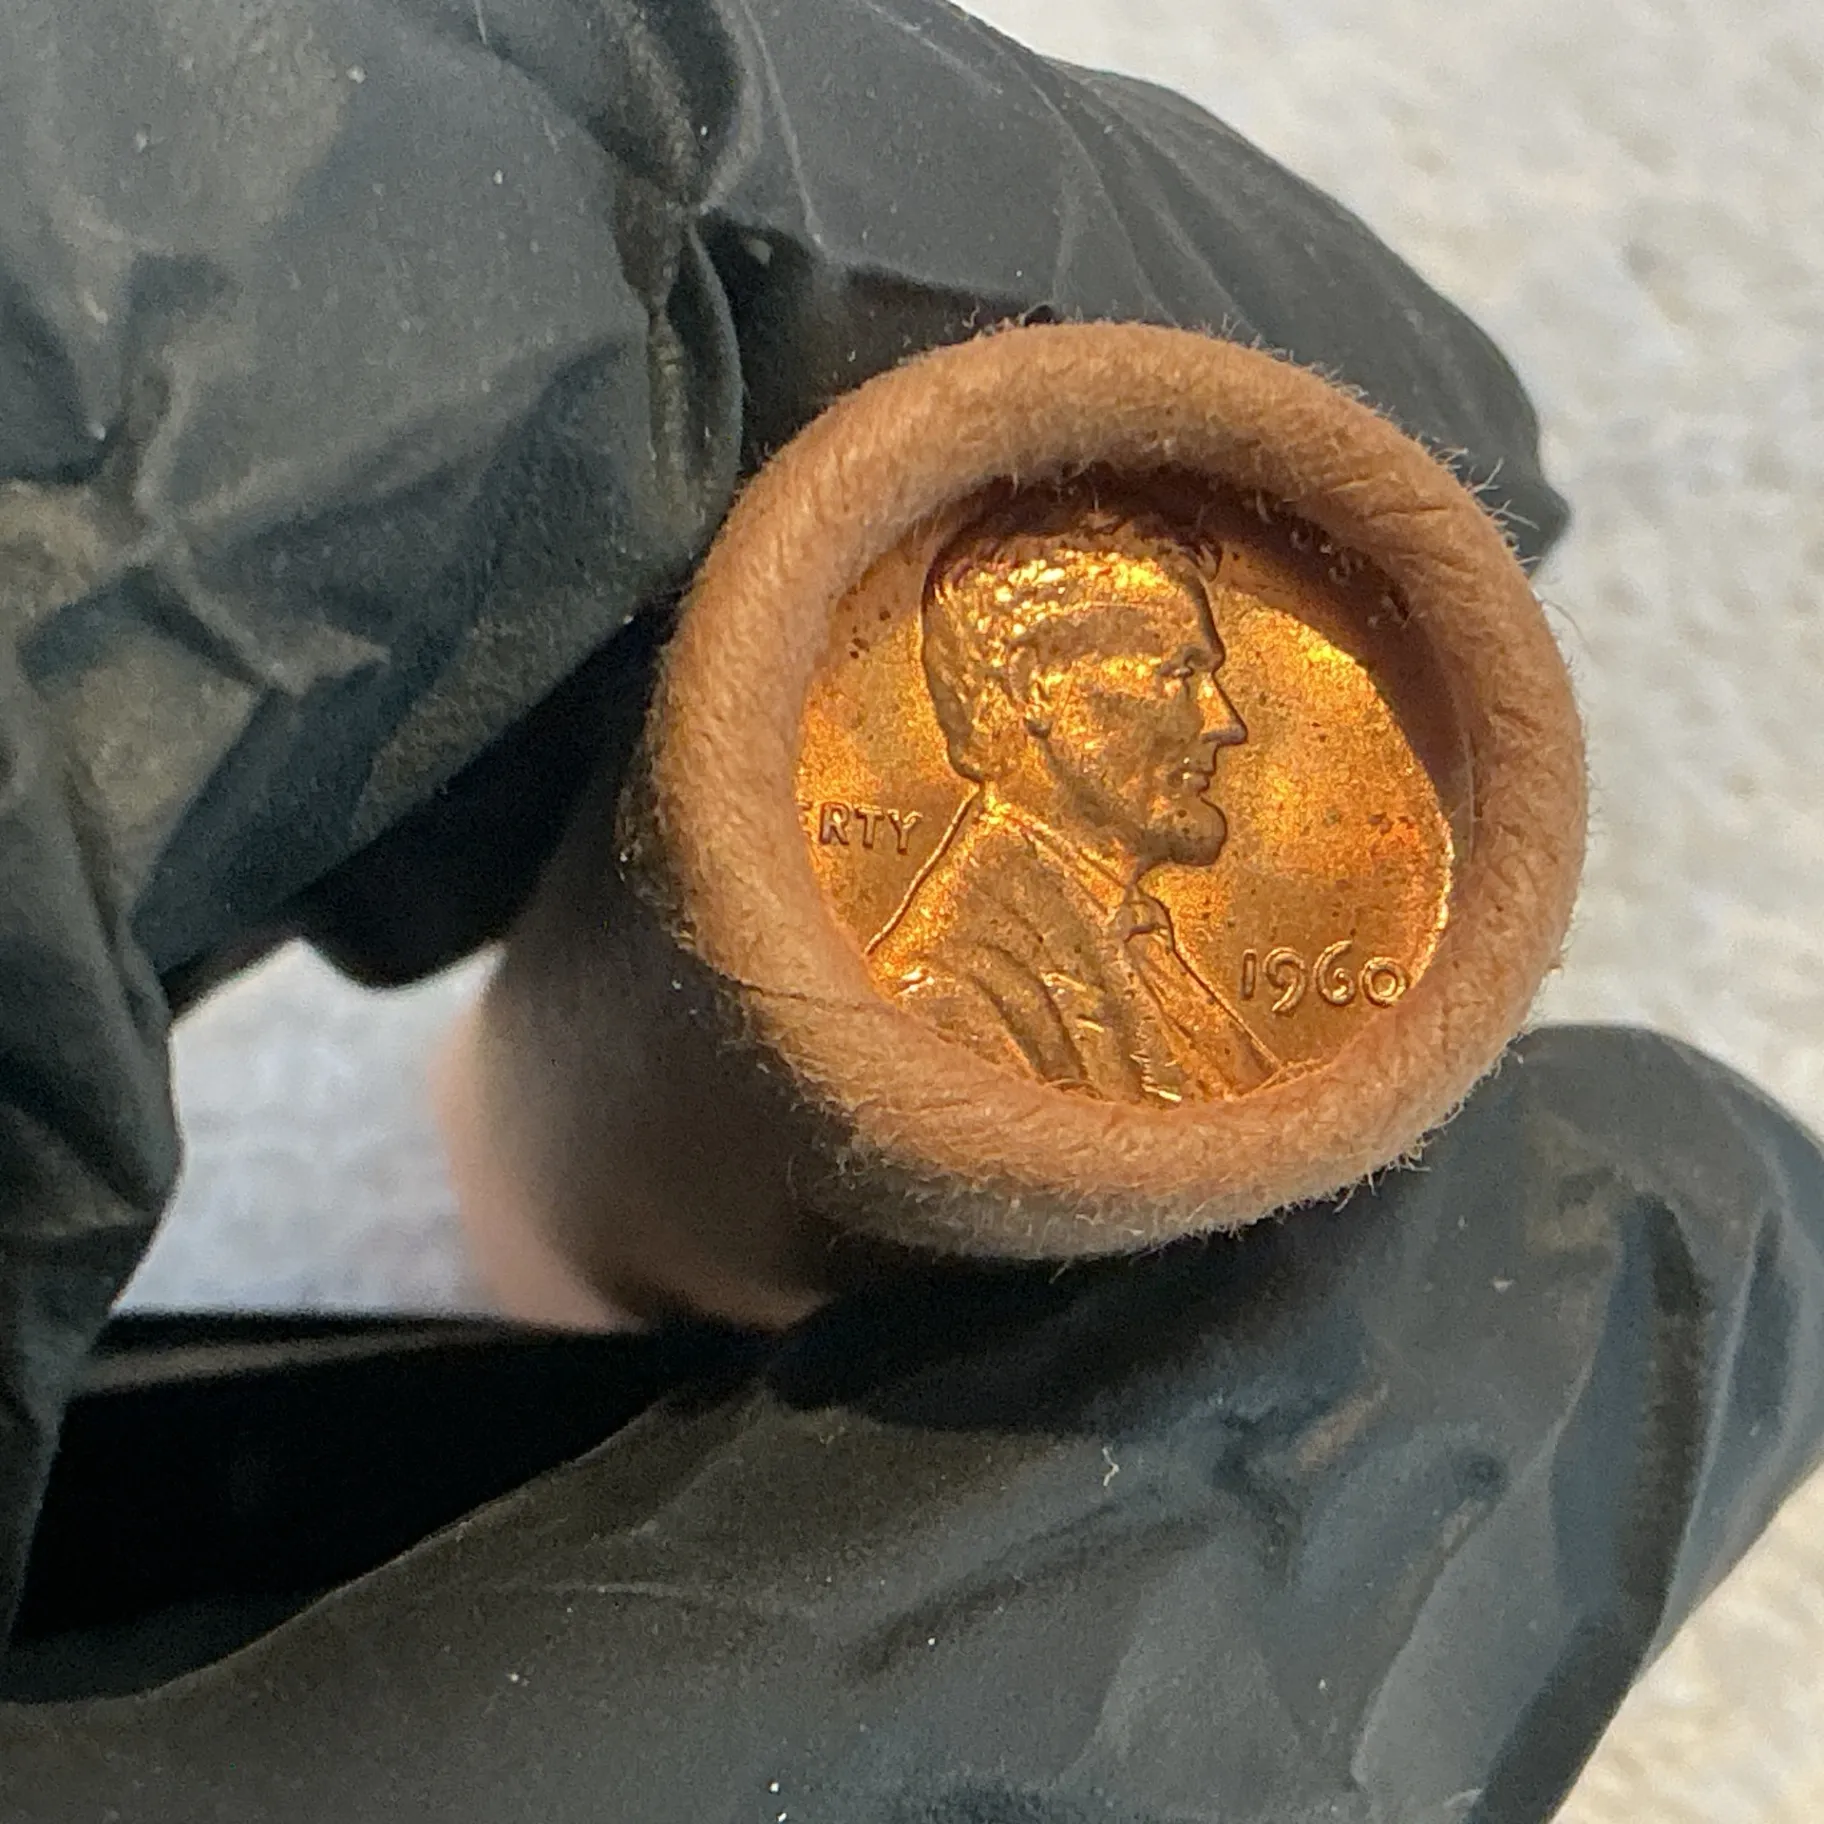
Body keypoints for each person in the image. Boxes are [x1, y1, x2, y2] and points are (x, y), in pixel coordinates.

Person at [1, 2, 1821, 1820]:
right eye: (1166, 674)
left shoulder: (1161, 1006)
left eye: (1210, 672)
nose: (1219, 716)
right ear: (1017, 712)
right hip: (573, 1194)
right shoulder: (959, 967)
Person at [874, 496, 1280, 1100]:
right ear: (1032, 686)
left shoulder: (1133, 941)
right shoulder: (946, 1004)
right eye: (1180, 674)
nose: (1227, 722)